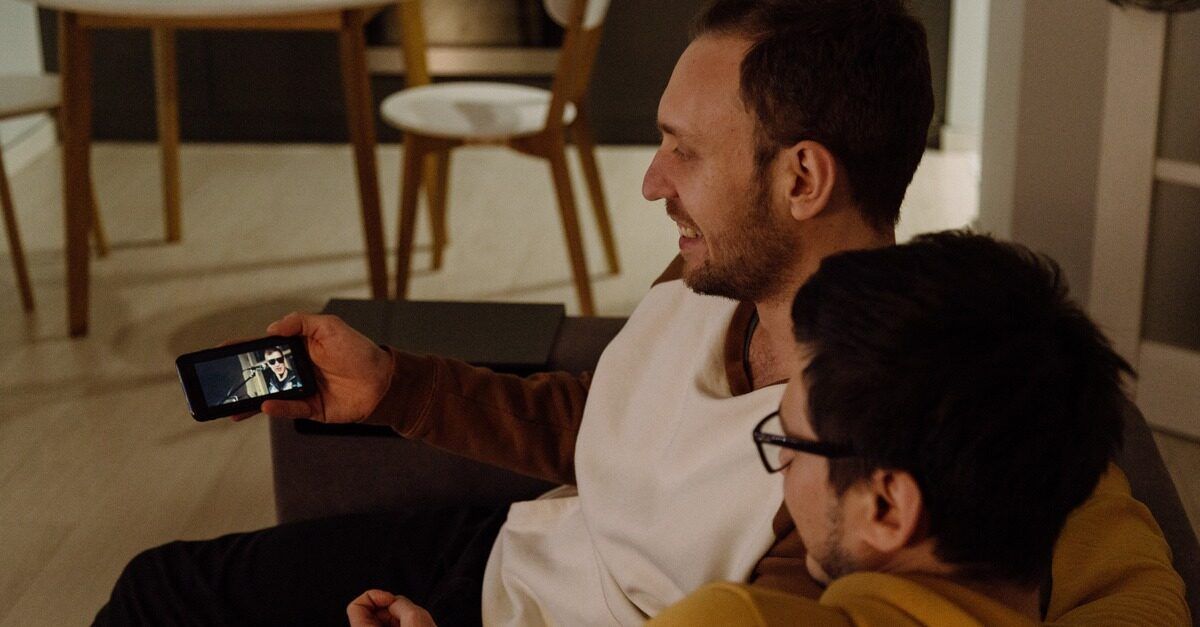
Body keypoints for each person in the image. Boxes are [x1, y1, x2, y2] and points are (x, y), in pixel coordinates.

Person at [96, 1, 1186, 625]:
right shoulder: (705, 276)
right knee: (159, 591)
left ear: (802, 179)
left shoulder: (860, 455)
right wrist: (401, 388)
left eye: (684, 149)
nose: (652, 181)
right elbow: (610, 423)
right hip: (509, 549)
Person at [648, 231, 1187, 625]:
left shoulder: (732, 620)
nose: (782, 468)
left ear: (887, 507)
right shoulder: (1140, 603)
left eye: (788, 442)